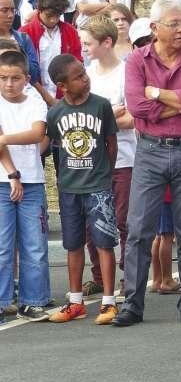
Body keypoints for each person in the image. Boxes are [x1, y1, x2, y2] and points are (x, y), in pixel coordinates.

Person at [114, 0, 181, 328]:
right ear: (155, 28)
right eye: (175, 24)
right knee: (139, 230)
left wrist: (156, 93)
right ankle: (133, 303)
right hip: (150, 149)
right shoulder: (135, 60)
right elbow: (137, 107)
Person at [46, 54, 119, 325]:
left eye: (84, 73)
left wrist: (104, 174)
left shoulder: (101, 106)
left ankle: (109, 302)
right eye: (77, 77)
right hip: (69, 188)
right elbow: (56, 149)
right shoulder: (55, 113)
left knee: (104, 243)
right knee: (72, 244)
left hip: (98, 184)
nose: (85, 79)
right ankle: (75, 301)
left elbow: (110, 144)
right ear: (62, 85)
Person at [79, 15, 134, 293]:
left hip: (124, 158)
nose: (84, 47)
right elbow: (80, 116)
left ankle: (128, 277)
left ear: (107, 42)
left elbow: (133, 117)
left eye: (88, 43)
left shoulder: (127, 72)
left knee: (123, 220)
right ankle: (100, 276)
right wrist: (110, 114)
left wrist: (100, 118)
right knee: (93, 222)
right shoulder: (85, 75)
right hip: (91, 161)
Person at [0, 49, 49, 322]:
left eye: (15, 78)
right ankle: (2, 300)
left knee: (34, 244)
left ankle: (32, 300)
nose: (9, 84)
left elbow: (37, 133)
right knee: (3, 246)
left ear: (26, 78)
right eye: (3, 78)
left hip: (33, 182)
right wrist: (12, 174)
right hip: (5, 181)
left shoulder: (35, 101)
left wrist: (6, 139)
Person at [19, 0, 79, 106]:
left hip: (65, 96)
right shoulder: (25, 33)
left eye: (57, 15)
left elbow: (77, 62)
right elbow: (23, 71)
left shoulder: (70, 31)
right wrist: (47, 98)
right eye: (49, 15)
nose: (53, 20)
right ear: (39, 9)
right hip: (34, 97)